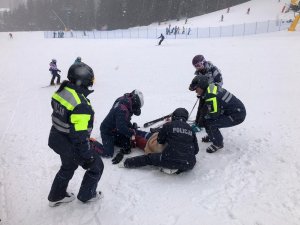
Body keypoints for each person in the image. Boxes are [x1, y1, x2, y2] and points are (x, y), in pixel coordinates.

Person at [48, 62, 104, 206]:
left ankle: (56, 196)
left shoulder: (62, 91)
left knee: (68, 166)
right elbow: (79, 136)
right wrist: (88, 156)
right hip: (70, 143)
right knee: (97, 166)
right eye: (90, 81)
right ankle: (87, 195)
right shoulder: (81, 105)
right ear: (84, 81)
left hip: (56, 138)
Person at [117, 108, 199, 174]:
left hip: (169, 158)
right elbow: (196, 150)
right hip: (189, 163)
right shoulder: (191, 130)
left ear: (174, 116)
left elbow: (160, 140)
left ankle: (127, 163)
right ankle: (177, 169)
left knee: (149, 159)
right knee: (180, 161)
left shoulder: (169, 125)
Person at [189, 75, 246, 153]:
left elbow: (214, 114)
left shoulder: (211, 96)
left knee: (210, 123)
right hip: (233, 110)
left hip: (237, 115)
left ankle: (218, 143)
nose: (196, 91)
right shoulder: (211, 87)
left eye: (196, 89)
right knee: (207, 120)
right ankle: (212, 136)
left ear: (202, 86)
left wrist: (203, 119)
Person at [100, 90, 145, 159]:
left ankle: (114, 139)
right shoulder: (122, 109)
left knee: (127, 144)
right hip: (107, 131)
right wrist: (132, 132)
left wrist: (130, 127)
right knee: (108, 153)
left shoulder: (124, 100)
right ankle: (91, 143)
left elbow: (123, 119)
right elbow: (121, 127)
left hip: (115, 128)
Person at [190, 54, 223, 127]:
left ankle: (208, 124)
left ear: (203, 62)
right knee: (200, 108)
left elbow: (219, 83)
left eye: (198, 65)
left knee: (209, 109)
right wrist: (196, 88)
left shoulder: (213, 69)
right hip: (204, 94)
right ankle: (197, 122)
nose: (197, 67)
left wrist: (209, 91)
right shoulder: (199, 72)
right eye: (195, 66)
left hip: (213, 94)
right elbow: (198, 83)